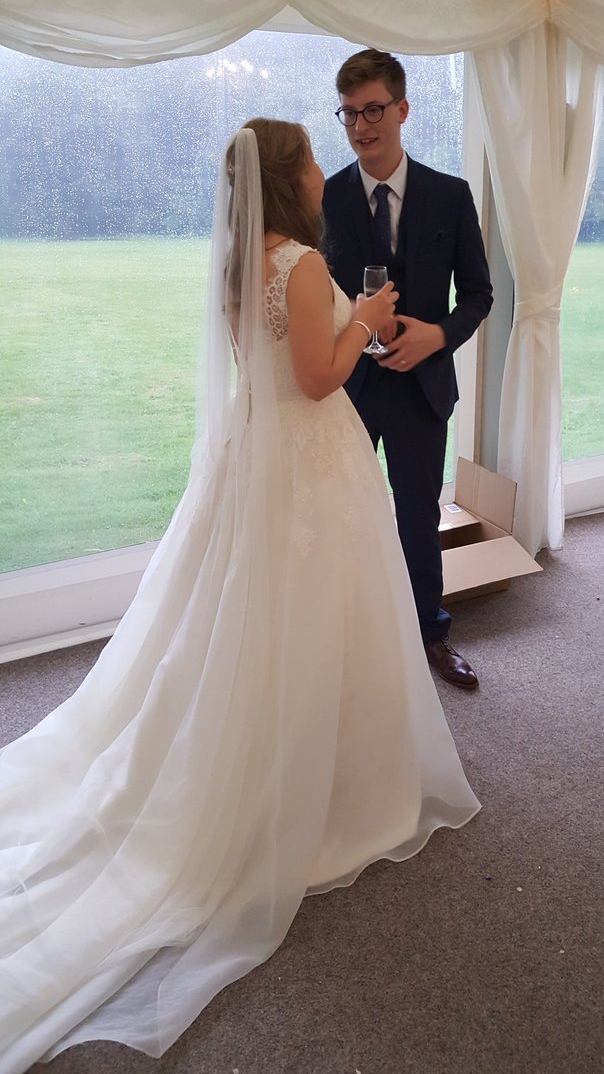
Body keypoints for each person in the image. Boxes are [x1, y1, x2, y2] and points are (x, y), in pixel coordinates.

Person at [0, 119, 480, 1073]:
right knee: (310, 619)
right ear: (287, 176)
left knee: (246, 621)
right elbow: (318, 379)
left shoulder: (235, 260)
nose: (324, 164)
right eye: (312, 155)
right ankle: (310, 786)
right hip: (305, 463)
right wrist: (366, 319)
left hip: (257, 455)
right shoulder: (296, 263)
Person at [323, 49, 493, 691]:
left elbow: (478, 294)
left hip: (422, 388)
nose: (360, 126)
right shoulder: (324, 198)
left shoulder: (450, 196)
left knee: (418, 514)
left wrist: (439, 335)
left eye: (373, 110)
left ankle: (430, 634)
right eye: (349, 113)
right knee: (340, 513)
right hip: (346, 387)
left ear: (402, 110)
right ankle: (345, 636)